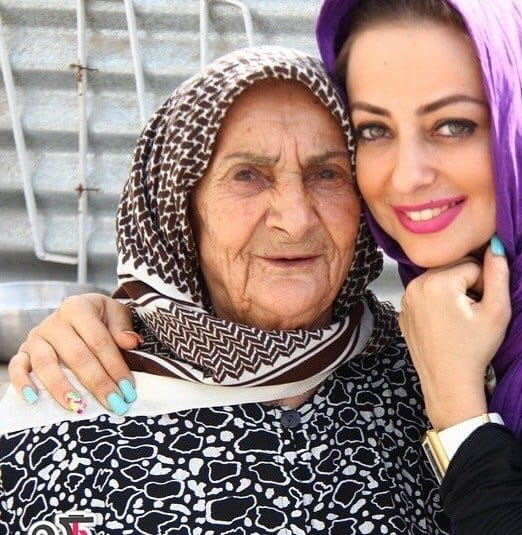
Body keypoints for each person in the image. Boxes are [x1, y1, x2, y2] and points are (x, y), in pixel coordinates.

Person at [0, 46, 450, 534]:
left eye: (327, 174)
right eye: (248, 175)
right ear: (180, 209)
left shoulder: (429, 376)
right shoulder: (73, 391)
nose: (296, 219)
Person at [315, 0, 522, 533]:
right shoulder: (461, 309)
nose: (407, 177)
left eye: (453, 125)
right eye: (374, 130)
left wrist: (458, 411)